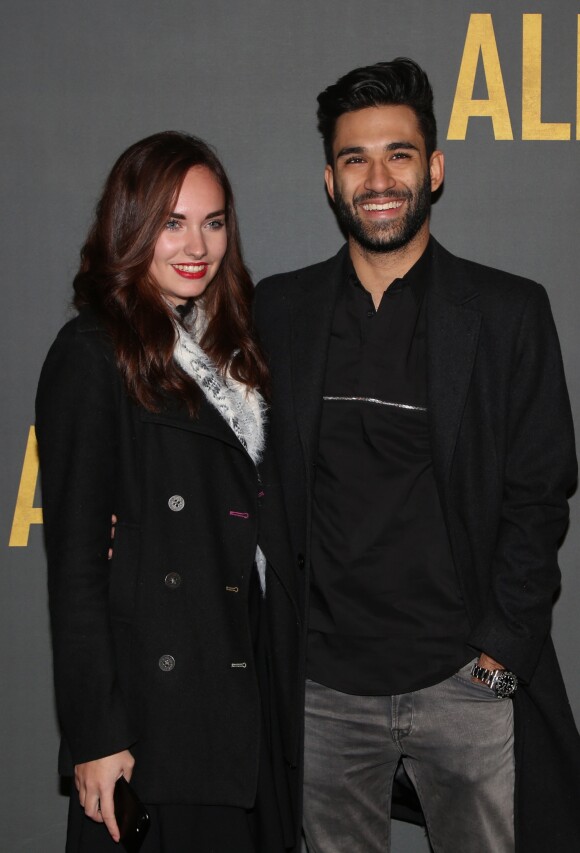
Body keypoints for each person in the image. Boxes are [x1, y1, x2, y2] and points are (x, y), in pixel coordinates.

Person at [254, 59, 580, 853]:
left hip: (462, 684)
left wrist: (498, 666)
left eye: (398, 153)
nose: (378, 177)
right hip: (323, 690)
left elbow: (540, 497)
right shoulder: (278, 312)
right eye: (354, 158)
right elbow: (225, 463)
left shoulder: (507, 313)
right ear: (330, 180)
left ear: (433, 168)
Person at [36, 131, 299, 853]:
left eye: (213, 221)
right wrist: (95, 733)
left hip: (243, 695)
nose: (197, 244)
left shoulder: (237, 356)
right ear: (130, 227)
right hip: (158, 720)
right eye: (172, 221)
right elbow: (78, 569)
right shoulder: (94, 354)